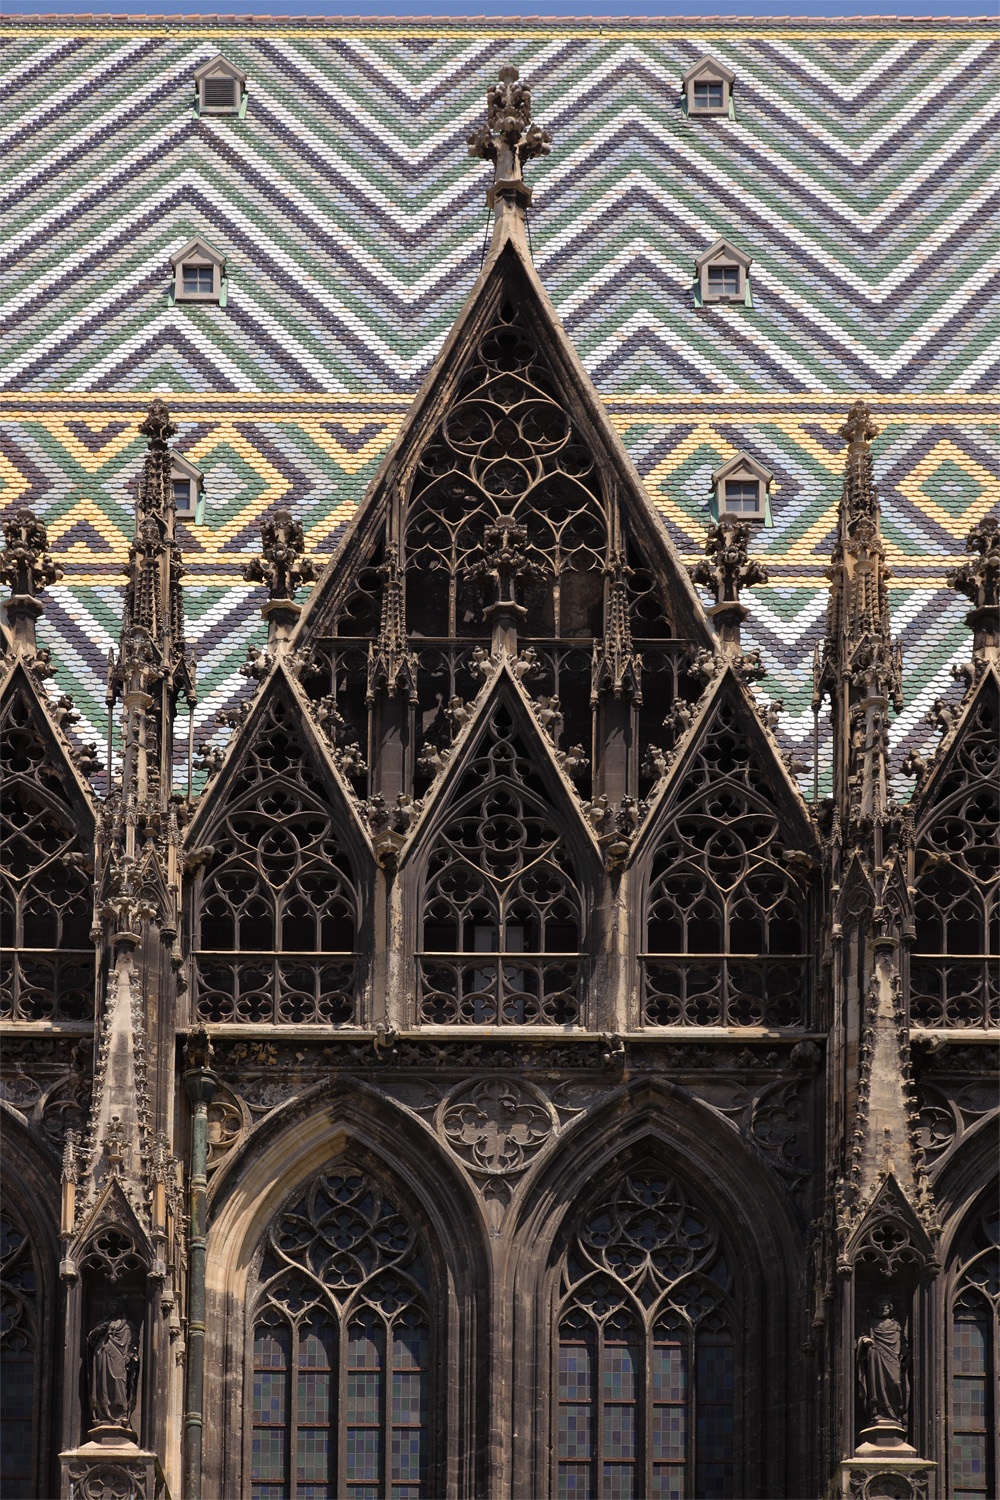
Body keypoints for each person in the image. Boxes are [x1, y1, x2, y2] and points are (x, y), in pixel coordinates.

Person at [857, 1298, 909, 1431]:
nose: (883, 1308)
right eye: (880, 1306)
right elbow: (862, 1337)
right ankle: (878, 1412)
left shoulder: (897, 1325)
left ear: (890, 1308)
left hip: (892, 1358)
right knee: (876, 1385)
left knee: (896, 1382)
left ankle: (896, 1412)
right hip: (876, 1356)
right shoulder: (871, 1324)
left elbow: (903, 1342)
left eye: (885, 1306)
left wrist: (905, 1354)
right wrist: (865, 1340)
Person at [88, 1300, 138, 1429]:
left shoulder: (128, 1326)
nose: (112, 1308)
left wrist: (132, 1355)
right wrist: (101, 1329)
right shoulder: (102, 1324)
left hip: (119, 1359)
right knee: (102, 1385)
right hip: (102, 1356)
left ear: (120, 1308)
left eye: (115, 1305)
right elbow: (91, 1339)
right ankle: (102, 1415)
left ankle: (121, 1415)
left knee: (118, 1381)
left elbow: (134, 1343)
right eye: (110, 1305)